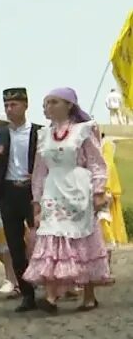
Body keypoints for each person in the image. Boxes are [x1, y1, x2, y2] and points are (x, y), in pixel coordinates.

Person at [22, 88, 110, 311]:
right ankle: (51, 296)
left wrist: (99, 190)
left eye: (53, 102)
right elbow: (40, 171)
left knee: (81, 238)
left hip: (78, 189)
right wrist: (36, 202)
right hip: (53, 189)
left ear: (69, 105)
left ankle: (88, 295)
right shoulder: (43, 135)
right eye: (45, 103)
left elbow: (96, 162)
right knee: (52, 236)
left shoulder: (84, 130)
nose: (48, 107)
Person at [0, 87, 43, 312]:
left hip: (33, 192)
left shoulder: (38, 132)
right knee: (15, 245)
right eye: (6, 105)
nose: (9, 109)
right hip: (8, 192)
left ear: (25, 105)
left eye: (13, 105)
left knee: (42, 239)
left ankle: (52, 285)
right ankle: (27, 293)